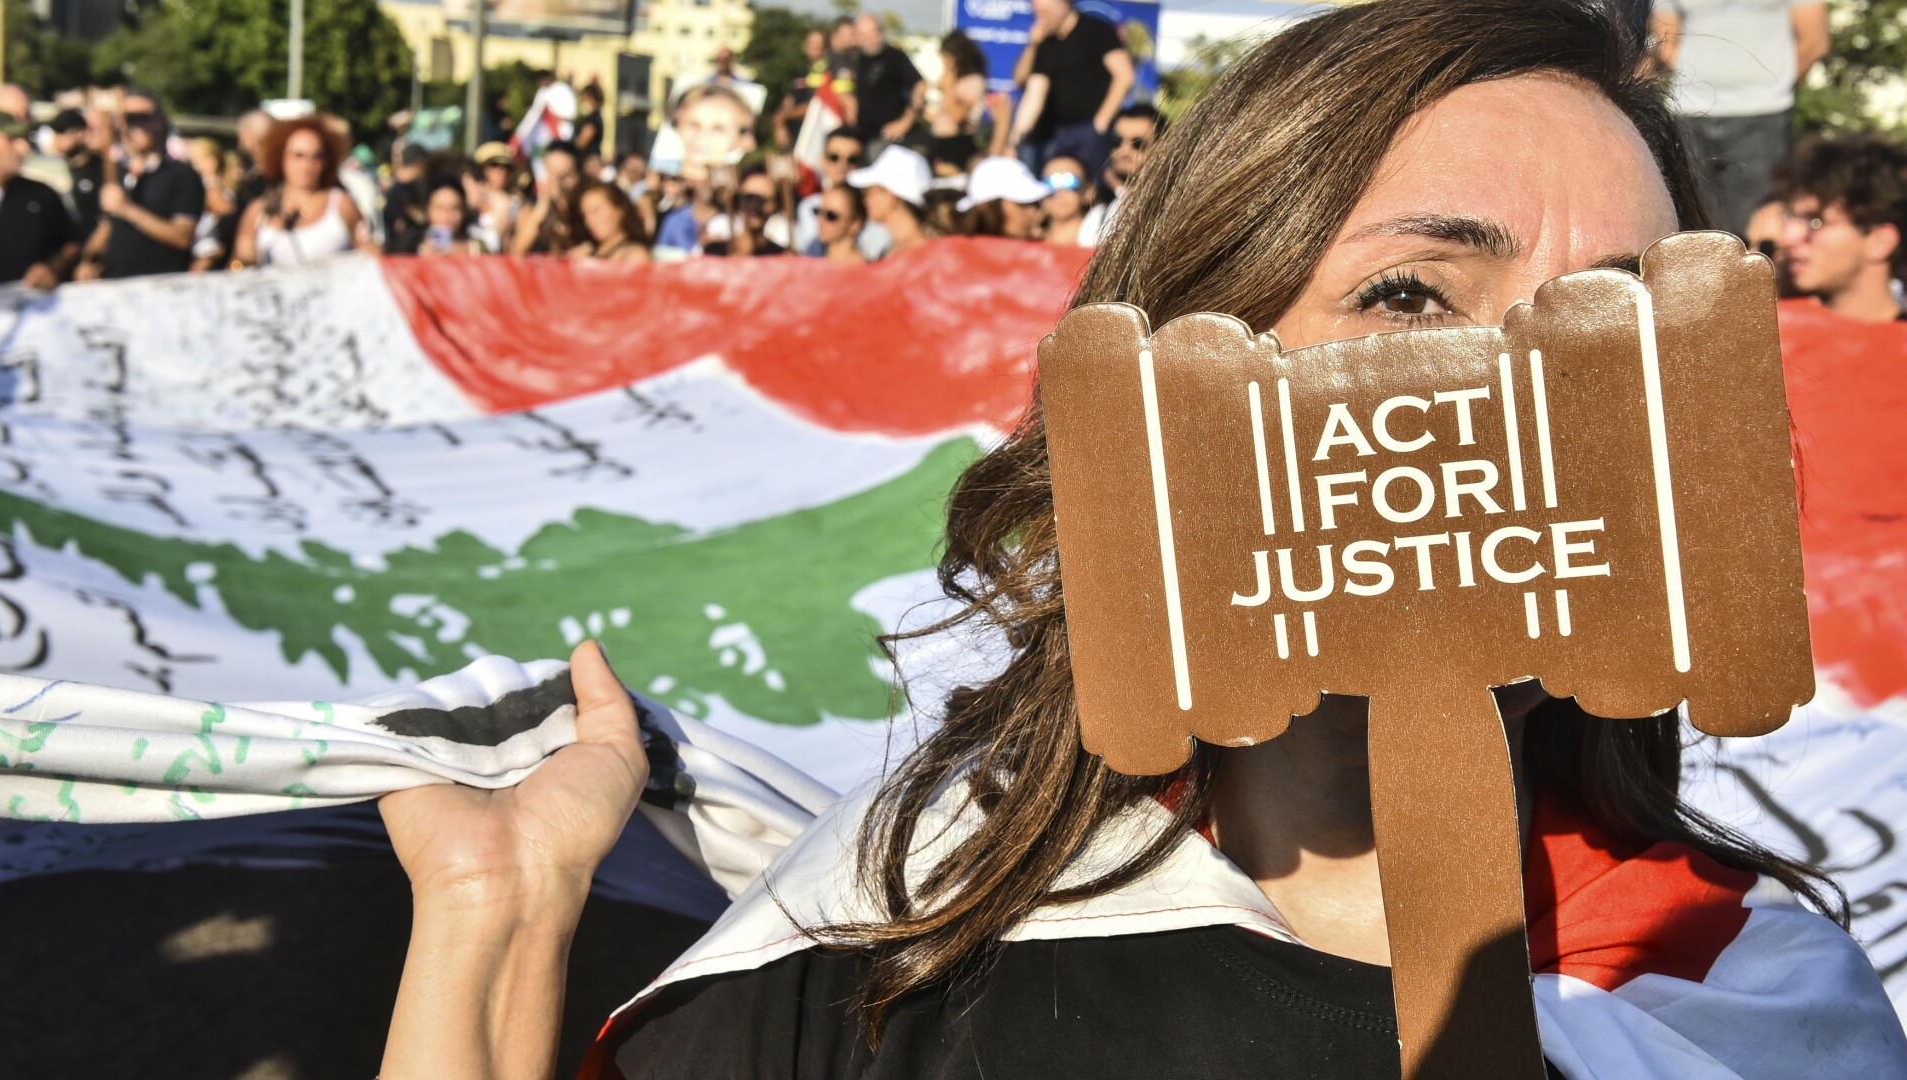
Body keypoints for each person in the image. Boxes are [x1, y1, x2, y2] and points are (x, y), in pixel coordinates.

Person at [376, 3, 1907, 1078]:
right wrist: (491, 919)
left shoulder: (1742, 993)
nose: (1531, 398)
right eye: (1411, 299)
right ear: (1187, 359)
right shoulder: (905, 916)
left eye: (1616, 328)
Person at [1650, 0, 1830, 236]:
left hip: (1763, 115)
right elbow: (1665, 41)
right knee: (1692, 226)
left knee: (1760, 226)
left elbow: (1815, 42)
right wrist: (1699, 77)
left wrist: (1772, 86)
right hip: (1689, 110)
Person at [1775, 134, 1907, 323]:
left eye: (1815, 221)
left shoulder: (1901, 346)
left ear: (1880, 241)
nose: (1787, 238)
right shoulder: (1773, 334)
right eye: (1790, 217)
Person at [77, 90, 204, 280]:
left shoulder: (182, 174)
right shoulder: (119, 172)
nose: (134, 125)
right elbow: (111, 225)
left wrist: (127, 209)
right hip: (115, 285)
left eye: (143, 117)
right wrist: (88, 260)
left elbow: (183, 237)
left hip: (160, 288)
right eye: (127, 118)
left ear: (160, 121)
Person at [1007, 0, 1134, 177]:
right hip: (1059, 134)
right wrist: (1014, 141)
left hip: (1092, 130)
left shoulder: (1097, 30)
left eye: (1044, 13)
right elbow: (1034, 93)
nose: (1039, 20)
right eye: (1036, 14)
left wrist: (1100, 123)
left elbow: (1124, 75)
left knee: (1089, 189)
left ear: (1063, 5)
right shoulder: (1045, 42)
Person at [234, 114, 372, 267]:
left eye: (317, 157)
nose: (308, 165)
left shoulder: (341, 204)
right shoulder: (258, 211)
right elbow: (240, 265)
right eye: (298, 156)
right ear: (281, 158)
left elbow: (371, 257)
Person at [0, 109, 78, 289]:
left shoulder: (41, 195)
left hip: (34, 311)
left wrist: (54, 268)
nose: (23, 148)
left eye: (23, 139)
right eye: (11, 139)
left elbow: (71, 243)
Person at [794, 126, 891, 258]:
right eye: (834, 157)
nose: (842, 165)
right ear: (823, 161)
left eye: (852, 159)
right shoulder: (808, 207)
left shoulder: (876, 210)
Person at [1079, 103, 1161, 247]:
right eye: (1117, 142)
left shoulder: (1170, 207)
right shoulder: (1099, 214)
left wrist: (1119, 189)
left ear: (1162, 149)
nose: (1124, 151)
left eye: (1138, 144)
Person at [928, 30, 1009, 174]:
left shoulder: (974, 82)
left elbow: (958, 117)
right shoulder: (953, 82)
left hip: (958, 145)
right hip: (939, 143)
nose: (945, 63)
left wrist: (949, 89)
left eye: (948, 57)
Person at [853, 14, 925, 153]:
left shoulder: (895, 57)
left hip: (890, 141)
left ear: (881, 32)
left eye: (873, 33)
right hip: (862, 138)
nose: (869, 39)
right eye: (863, 35)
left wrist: (906, 122)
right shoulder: (855, 60)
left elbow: (920, 86)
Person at [847, 143, 931, 257]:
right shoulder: (893, 249)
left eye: (869, 192)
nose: (865, 201)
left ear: (891, 196)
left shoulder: (924, 249)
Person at [955, 154, 1051, 239]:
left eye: (1034, 204)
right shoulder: (953, 256)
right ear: (990, 207)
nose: (1033, 212)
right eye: (1022, 204)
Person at [513, 139, 583, 254]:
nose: (558, 183)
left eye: (565, 175)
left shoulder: (587, 206)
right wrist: (543, 206)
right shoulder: (531, 206)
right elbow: (517, 251)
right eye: (552, 173)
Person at [704, 166, 792, 256]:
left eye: (761, 200)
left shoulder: (779, 255)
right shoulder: (715, 251)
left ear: (774, 205)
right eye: (748, 199)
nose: (753, 207)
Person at [185, 137, 241, 271]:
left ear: (212, 162)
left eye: (196, 159)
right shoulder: (221, 187)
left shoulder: (209, 188)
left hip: (205, 254)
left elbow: (228, 213)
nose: (191, 164)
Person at [568, 178, 653, 263]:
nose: (589, 221)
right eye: (585, 215)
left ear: (619, 211)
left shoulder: (635, 255)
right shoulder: (588, 251)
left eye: (596, 210)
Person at [49, 108, 104, 239]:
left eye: (62, 132)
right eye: (55, 132)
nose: (57, 138)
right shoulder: (56, 170)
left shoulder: (99, 168)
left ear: (81, 133)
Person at [403, 178, 485, 257]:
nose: (446, 216)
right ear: (427, 209)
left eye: (454, 208)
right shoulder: (409, 243)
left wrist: (461, 249)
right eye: (440, 208)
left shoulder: (475, 235)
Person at [1038, 154, 1091, 245]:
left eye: (1071, 182)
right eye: (1050, 183)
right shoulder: (1027, 244)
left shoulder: (1098, 246)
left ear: (1088, 192)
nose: (1060, 191)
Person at [814, 182, 870, 263]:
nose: (820, 220)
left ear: (855, 224)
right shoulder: (814, 261)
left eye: (831, 216)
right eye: (818, 211)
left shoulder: (863, 269)